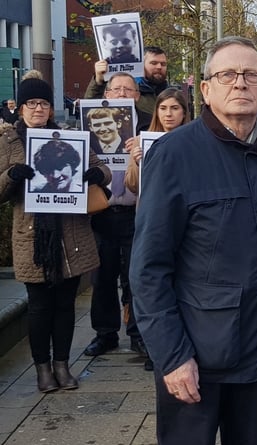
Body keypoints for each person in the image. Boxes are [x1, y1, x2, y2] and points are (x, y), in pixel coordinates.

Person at [130, 36, 257, 445]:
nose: (239, 83)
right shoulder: (173, 154)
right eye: (227, 74)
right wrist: (172, 356)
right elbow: (149, 268)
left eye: (251, 75)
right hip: (197, 357)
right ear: (205, 89)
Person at [0, 73, 110, 393]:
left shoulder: (68, 137)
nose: (38, 109)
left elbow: (101, 168)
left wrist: (94, 174)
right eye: (31, 103)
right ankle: (42, 369)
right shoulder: (9, 142)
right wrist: (11, 175)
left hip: (71, 236)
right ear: (20, 108)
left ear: (51, 108)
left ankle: (62, 364)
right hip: (34, 238)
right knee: (39, 306)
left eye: (44, 103)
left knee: (65, 305)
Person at [123, 87, 190, 371]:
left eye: (175, 108)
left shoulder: (194, 141)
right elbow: (132, 185)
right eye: (163, 109)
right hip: (152, 221)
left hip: (184, 222)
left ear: (184, 112)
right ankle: (153, 347)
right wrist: (139, 162)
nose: (169, 114)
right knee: (149, 281)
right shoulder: (143, 142)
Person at [83, 73, 149, 361]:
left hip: (137, 213)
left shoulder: (148, 126)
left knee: (137, 277)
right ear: (106, 92)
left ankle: (138, 334)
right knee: (103, 277)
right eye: (115, 88)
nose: (122, 93)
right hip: (103, 212)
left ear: (136, 95)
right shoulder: (91, 127)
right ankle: (105, 333)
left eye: (128, 89)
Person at [86, 46, 169, 116]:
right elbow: (90, 108)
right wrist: (98, 81)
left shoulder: (170, 94)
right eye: (154, 63)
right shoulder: (125, 91)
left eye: (163, 64)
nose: (159, 67)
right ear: (140, 65)